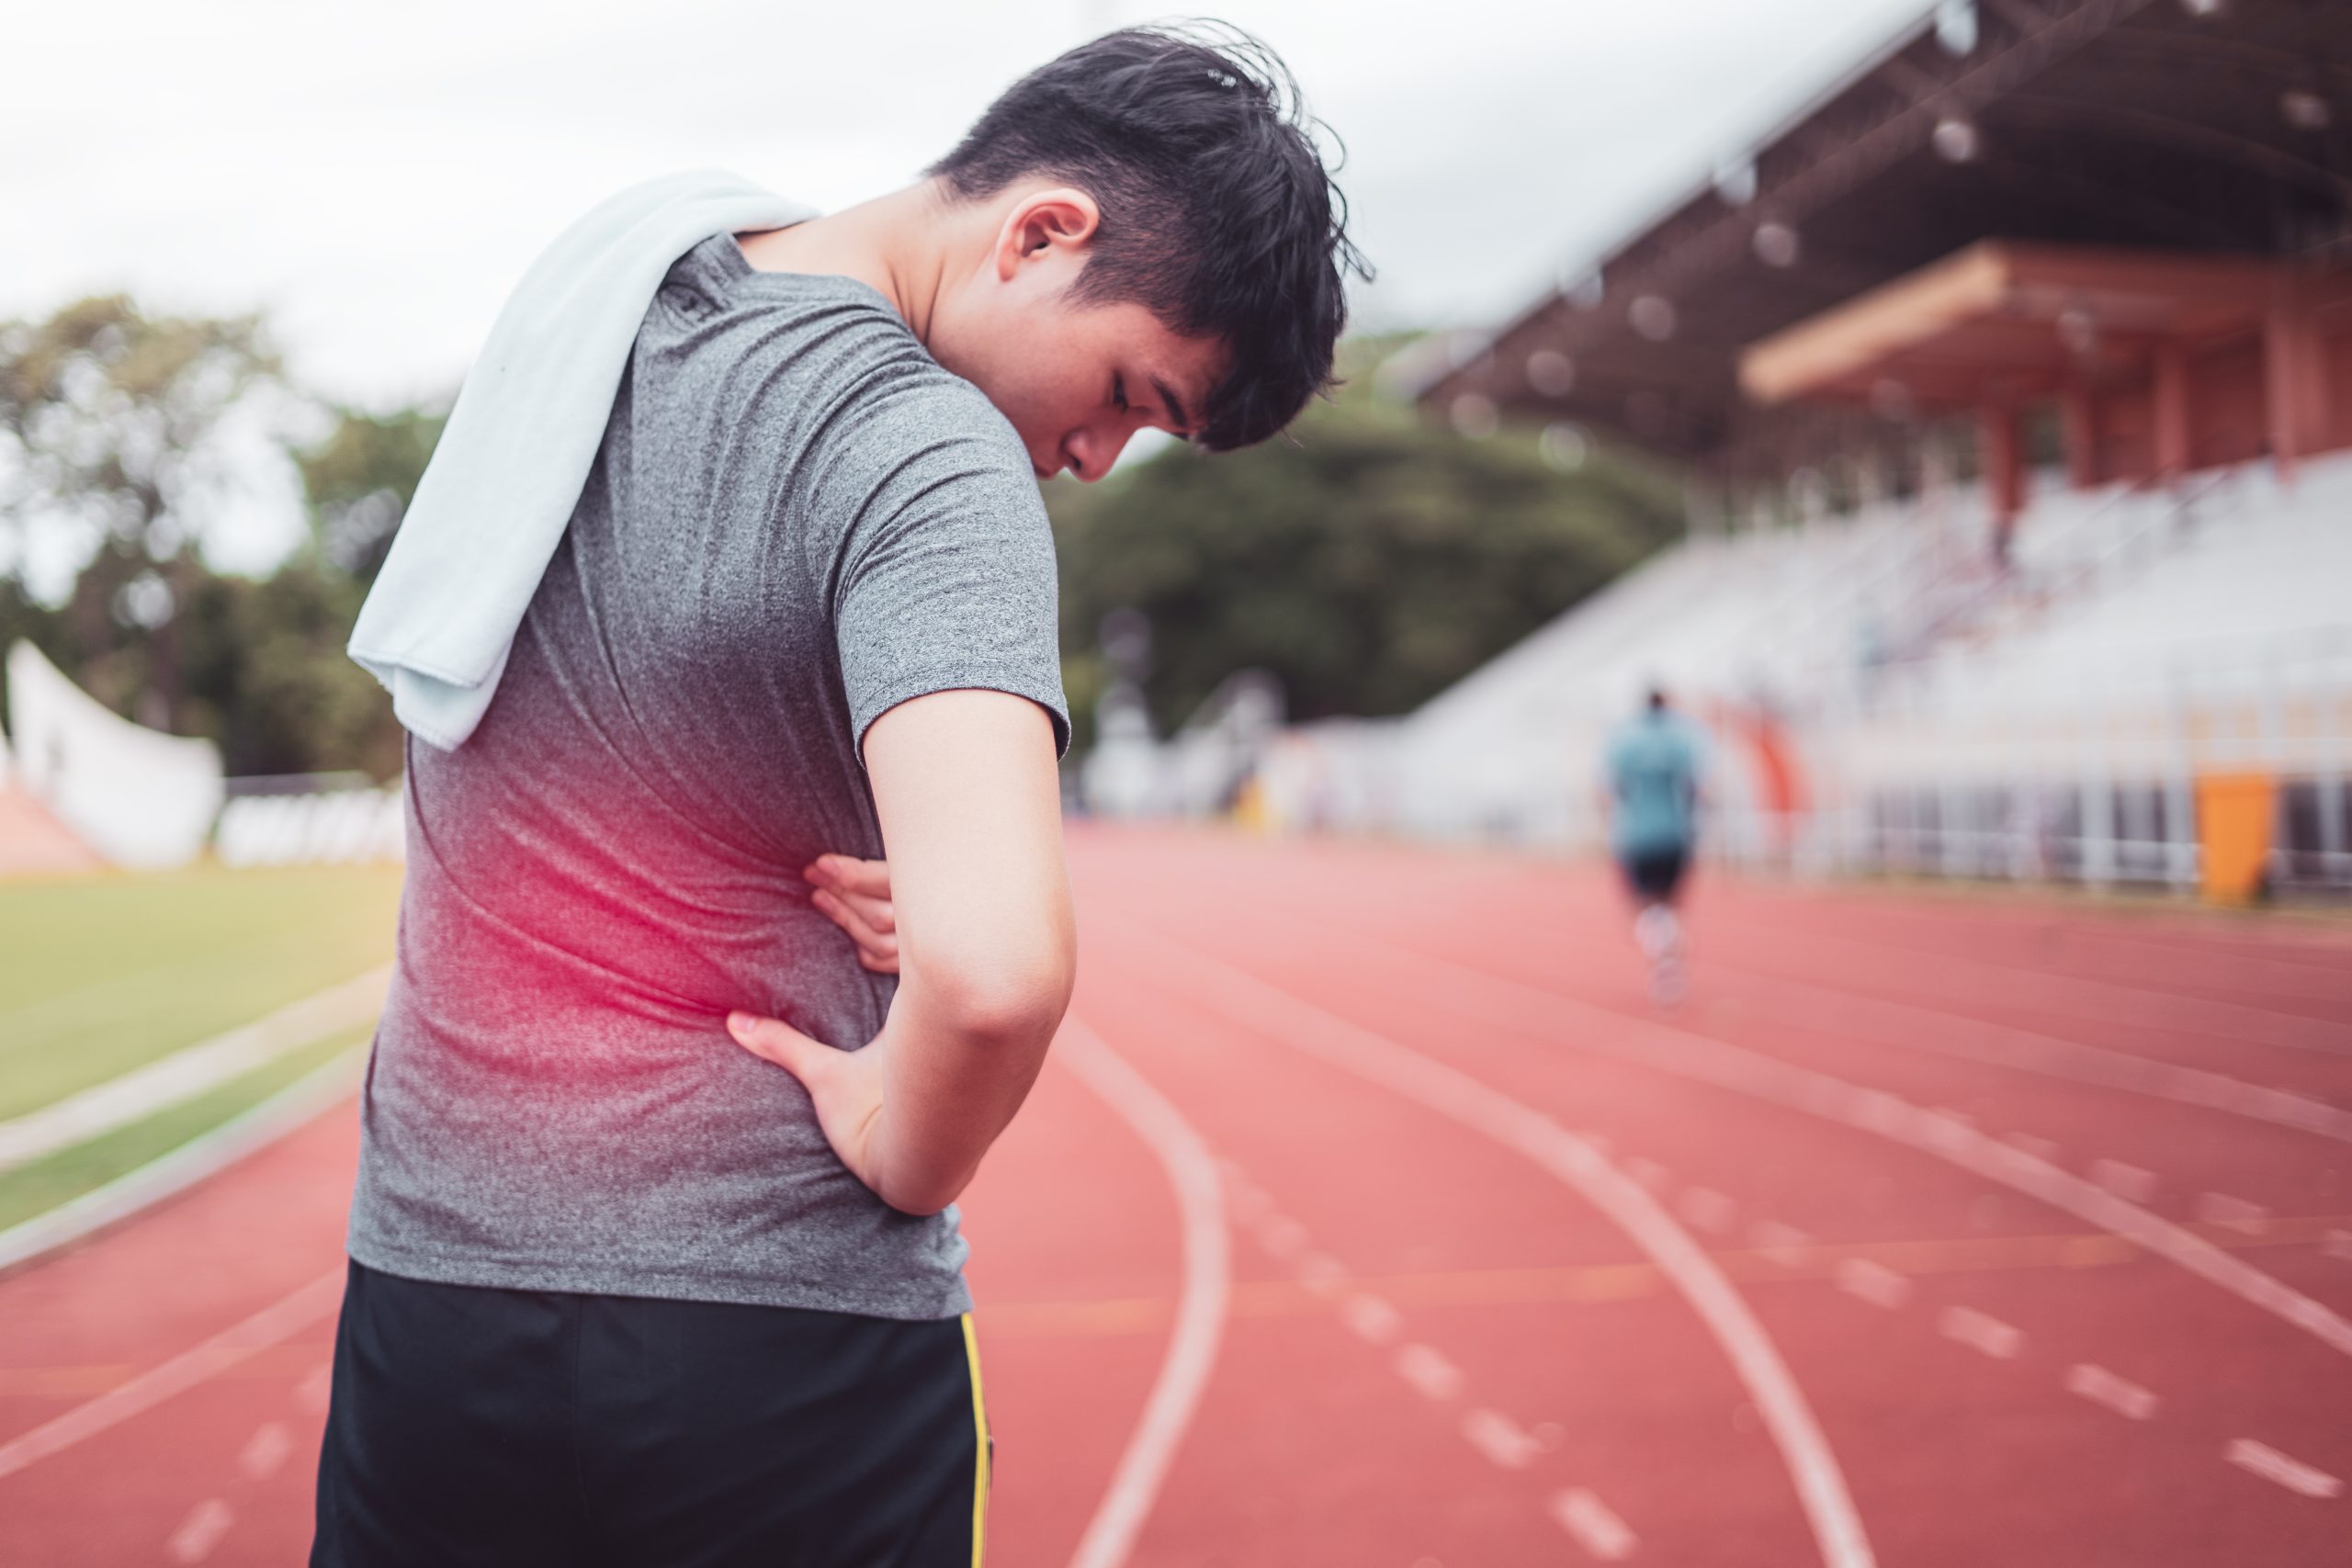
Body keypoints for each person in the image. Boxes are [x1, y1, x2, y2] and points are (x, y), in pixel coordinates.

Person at [312, 25, 1363, 1567]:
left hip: (431, 1303)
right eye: (1132, 397)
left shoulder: (591, 315)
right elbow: (997, 972)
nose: (1095, 458)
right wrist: (903, 1135)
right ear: (1042, 230)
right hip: (776, 1334)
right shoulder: (930, 454)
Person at [1600, 687, 1708, 1005]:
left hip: (1637, 834)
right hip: (1675, 832)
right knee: (1671, 903)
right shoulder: (1682, 739)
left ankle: (1660, 957)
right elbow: (1694, 787)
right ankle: (1670, 958)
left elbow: (1613, 789)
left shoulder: (1625, 742)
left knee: (1644, 904)